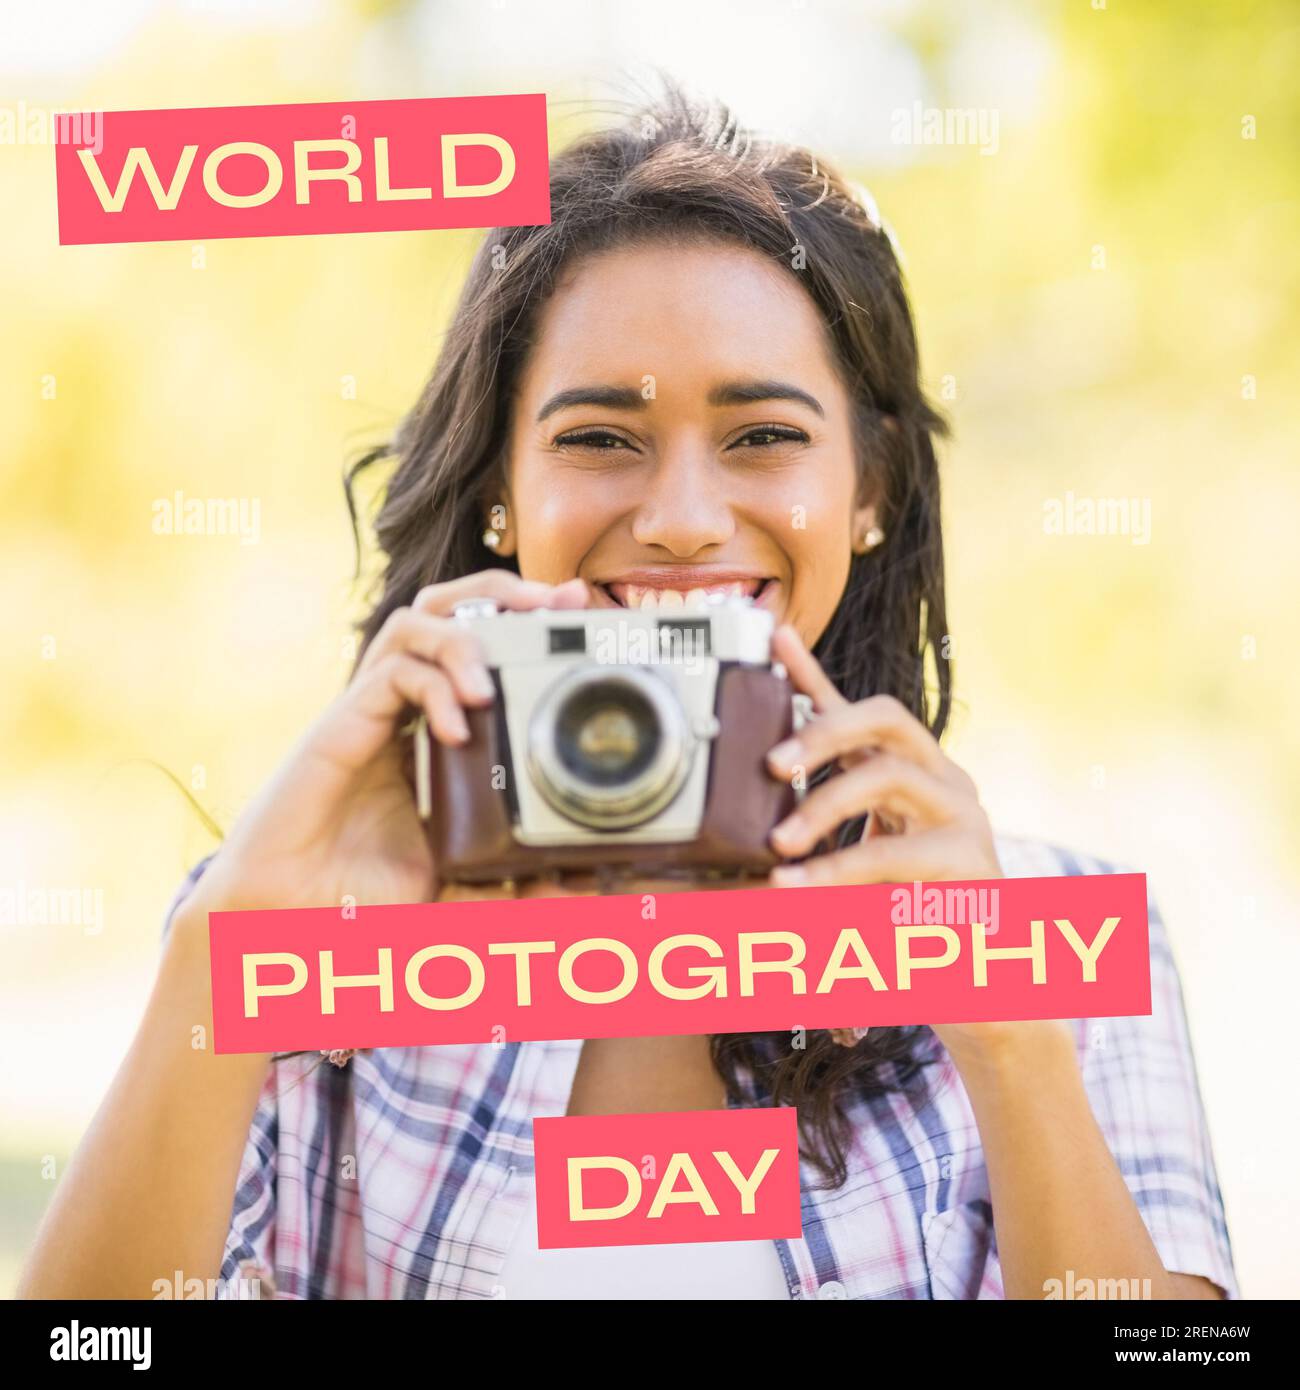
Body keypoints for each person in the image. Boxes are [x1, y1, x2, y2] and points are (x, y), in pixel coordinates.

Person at [19, 89, 1237, 1301]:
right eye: (600, 438)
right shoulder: (299, 915)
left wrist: (1005, 1030)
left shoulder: (1068, 929)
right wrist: (225, 954)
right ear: (501, 491)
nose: (680, 523)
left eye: (762, 434)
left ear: (868, 491)